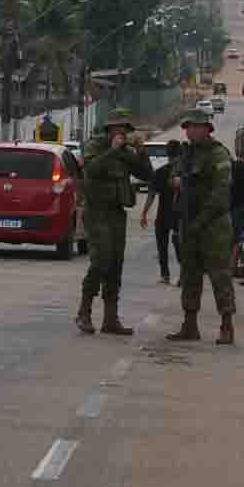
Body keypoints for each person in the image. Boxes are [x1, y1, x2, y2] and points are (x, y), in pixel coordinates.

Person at [76, 108, 152, 336]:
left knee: (116, 264)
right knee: (101, 260)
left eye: (125, 128)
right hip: (96, 211)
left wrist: (141, 152)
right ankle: (84, 311)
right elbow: (91, 170)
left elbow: (147, 175)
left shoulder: (126, 150)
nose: (122, 132)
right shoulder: (96, 146)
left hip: (117, 212)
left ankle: (111, 318)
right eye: (117, 127)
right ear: (108, 129)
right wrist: (112, 150)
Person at [167, 108, 237, 344]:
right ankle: (189, 325)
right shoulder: (186, 155)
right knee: (190, 275)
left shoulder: (218, 155)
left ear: (207, 129)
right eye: (188, 127)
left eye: (196, 126)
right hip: (189, 222)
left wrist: (201, 220)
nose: (191, 131)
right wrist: (176, 180)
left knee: (220, 276)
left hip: (213, 225)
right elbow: (173, 176)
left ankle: (226, 325)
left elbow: (221, 192)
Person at [141, 140, 182, 286]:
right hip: (180, 214)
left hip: (163, 213)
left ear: (167, 153)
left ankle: (165, 275)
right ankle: (183, 275)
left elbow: (151, 194)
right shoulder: (185, 173)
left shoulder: (161, 172)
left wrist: (144, 213)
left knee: (162, 245)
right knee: (180, 243)